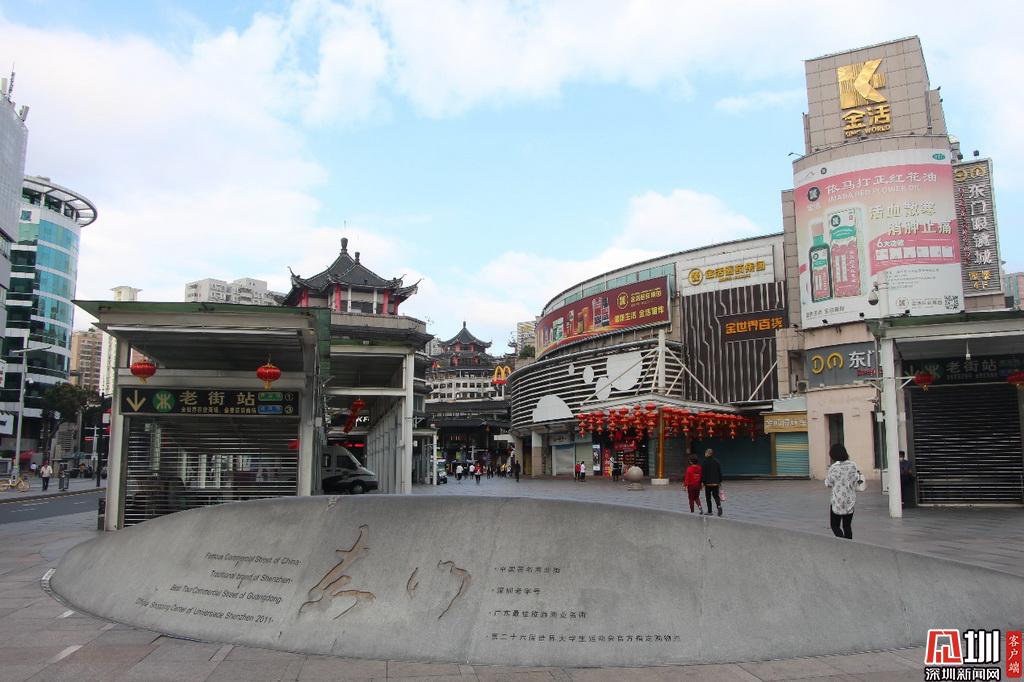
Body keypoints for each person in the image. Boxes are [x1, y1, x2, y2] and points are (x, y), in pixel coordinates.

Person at [824, 443, 864, 540]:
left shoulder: (833, 468)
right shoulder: (853, 465)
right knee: (847, 526)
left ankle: (842, 542)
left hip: (837, 501)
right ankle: (849, 543)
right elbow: (855, 479)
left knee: (835, 525)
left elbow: (828, 483)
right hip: (849, 500)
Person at [701, 449, 723, 516]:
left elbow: (703, 473)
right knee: (716, 496)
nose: (705, 454)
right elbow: (719, 472)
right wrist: (720, 481)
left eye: (705, 453)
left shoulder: (704, 462)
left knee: (708, 498)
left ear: (707, 453)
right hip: (715, 483)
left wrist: (703, 482)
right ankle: (719, 506)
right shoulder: (717, 461)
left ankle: (710, 511)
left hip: (708, 483)